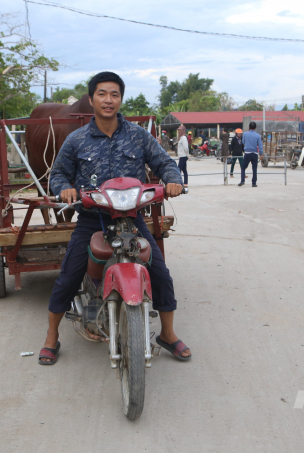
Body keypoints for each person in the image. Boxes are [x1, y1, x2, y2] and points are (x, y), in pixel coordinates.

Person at [38, 71, 190, 365]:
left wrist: (173, 180)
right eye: (102, 94)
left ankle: (167, 334)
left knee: (160, 274)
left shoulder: (138, 135)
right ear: (92, 99)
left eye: (115, 95)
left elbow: (164, 162)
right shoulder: (76, 140)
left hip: (132, 220)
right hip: (92, 220)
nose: (109, 100)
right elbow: (57, 174)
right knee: (68, 277)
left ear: (121, 99)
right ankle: (51, 337)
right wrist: (65, 188)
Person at [239, 122, 263, 187]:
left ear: (249, 127)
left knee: (243, 167)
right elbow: (260, 146)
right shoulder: (258, 135)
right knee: (254, 168)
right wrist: (261, 154)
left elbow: (243, 142)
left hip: (247, 153)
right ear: (255, 127)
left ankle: (242, 180)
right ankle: (254, 183)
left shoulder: (245, 134)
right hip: (255, 153)